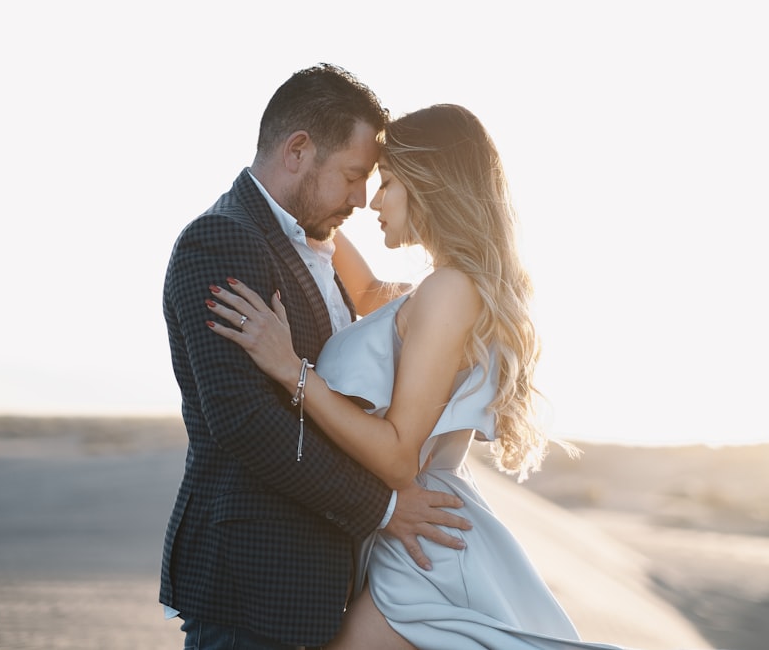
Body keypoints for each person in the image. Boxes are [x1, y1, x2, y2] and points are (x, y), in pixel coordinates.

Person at [206, 104, 640, 649]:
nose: (371, 201)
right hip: (417, 533)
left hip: (423, 543)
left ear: (431, 186)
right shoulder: (438, 290)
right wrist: (300, 210)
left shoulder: (449, 292)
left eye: (387, 183)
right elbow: (366, 294)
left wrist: (291, 370)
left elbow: (397, 454)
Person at [159, 65, 472, 650]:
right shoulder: (222, 240)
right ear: (298, 150)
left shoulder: (315, 241)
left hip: (322, 589)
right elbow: (245, 423)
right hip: (254, 585)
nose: (361, 198)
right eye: (354, 177)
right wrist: (382, 507)